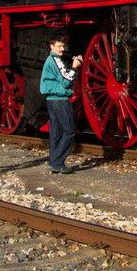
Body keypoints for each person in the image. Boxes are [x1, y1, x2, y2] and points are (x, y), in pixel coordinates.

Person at [39, 36, 78, 173]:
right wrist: (74, 67)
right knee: (69, 131)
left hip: (52, 99)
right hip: (60, 100)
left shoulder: (51, 60)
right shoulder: (55, 60)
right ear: (52, 46)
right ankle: (58, 162)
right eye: (59, 46)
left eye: (63, 46)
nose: (62, 49)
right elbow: (66, 81)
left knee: (55, 132)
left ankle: (53, 162)